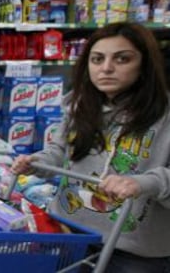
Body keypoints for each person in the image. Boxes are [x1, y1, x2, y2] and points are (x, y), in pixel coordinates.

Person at [11, 22, 170, 273]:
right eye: (97, 59)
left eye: (122, 59)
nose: (106, 68)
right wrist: (35, 163)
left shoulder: (164, 115)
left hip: (133, 250)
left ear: (145, 65)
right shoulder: (79, 105)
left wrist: (143, 183)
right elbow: (61, 151)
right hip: (70, 233)